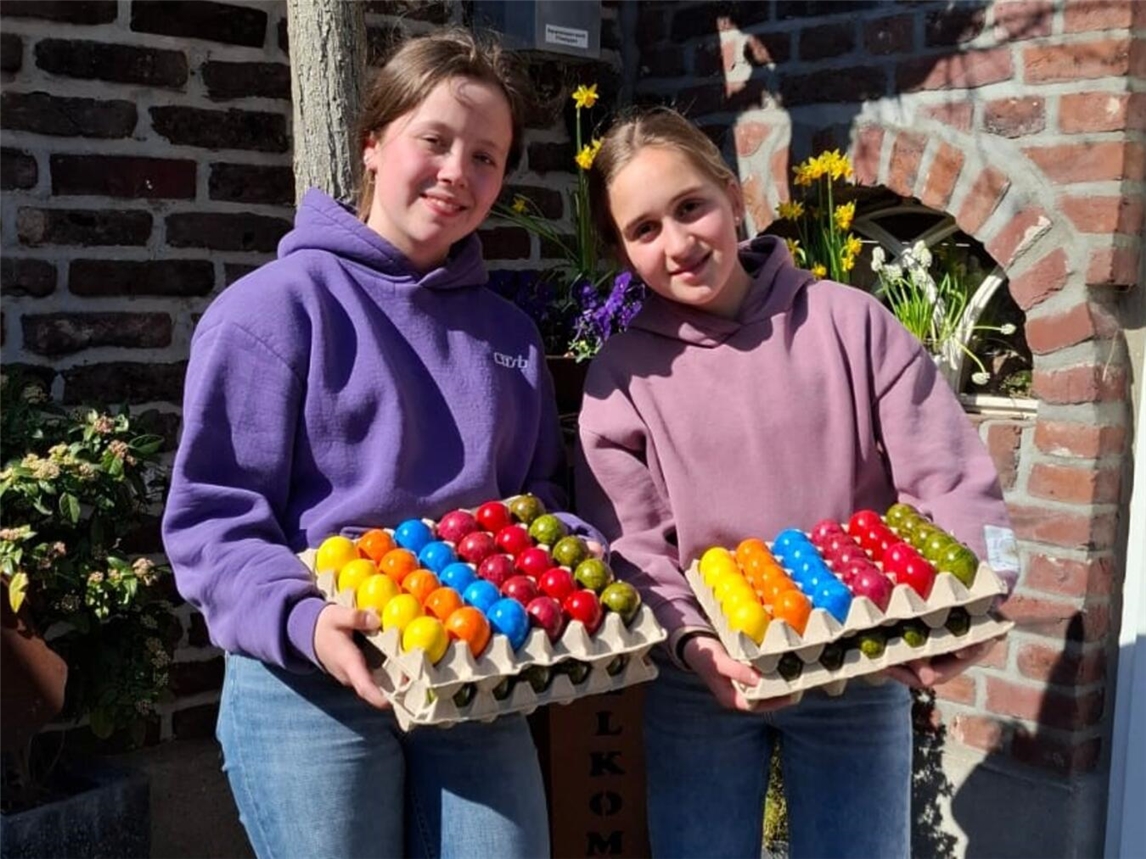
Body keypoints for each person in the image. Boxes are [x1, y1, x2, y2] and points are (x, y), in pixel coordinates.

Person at [162, 29, 572, 859]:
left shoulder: (510, 337)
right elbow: (212, 522)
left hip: (473, 671)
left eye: (487, 157)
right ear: (373, 144)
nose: (459, 172)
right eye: (436, 140)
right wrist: (304, 620)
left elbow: (541, 500)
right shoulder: (272, 312)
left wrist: (563, 560)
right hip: (312, 679)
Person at [574, 107, 1016, 859]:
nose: (678, 243)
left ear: (732, 196)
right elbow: (632, 544)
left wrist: (980, 594)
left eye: (690, 207)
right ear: (620, 252)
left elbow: (947, 472)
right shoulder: (623, 377)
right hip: (703, 684)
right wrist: (694, 647)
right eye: (644, 230)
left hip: (858, 666)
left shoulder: (848, 323)